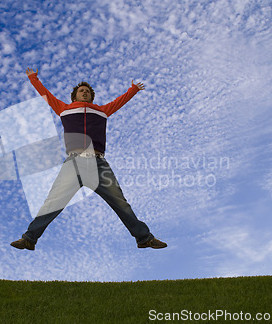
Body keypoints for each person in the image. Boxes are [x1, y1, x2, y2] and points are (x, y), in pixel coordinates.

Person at [11, 68, 167, 251]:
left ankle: (144, 238)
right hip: (73, 163)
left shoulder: (102, 111)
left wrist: (132, 90)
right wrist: (33, 79)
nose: (84, 92)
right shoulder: (63, 109)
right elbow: (46, 95)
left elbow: (119, 101)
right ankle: (29, 239)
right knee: (52, 203)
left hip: (98, 164)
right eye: (81, 91)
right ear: (74, 96)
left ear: (91, 96)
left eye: (87, 91)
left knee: (120, 203)